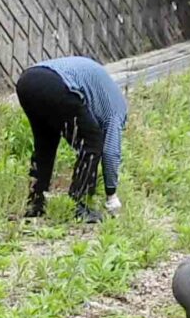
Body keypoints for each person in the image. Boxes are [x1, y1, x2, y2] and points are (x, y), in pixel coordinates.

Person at [15, 57, 128, 220]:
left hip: (28, 80)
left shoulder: (103, 93)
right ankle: (78, 206)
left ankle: (35, 203)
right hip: (56, 83)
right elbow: (110, 151)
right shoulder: (117, 111)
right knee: (92, 143)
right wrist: (111, 194)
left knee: (45, 144)